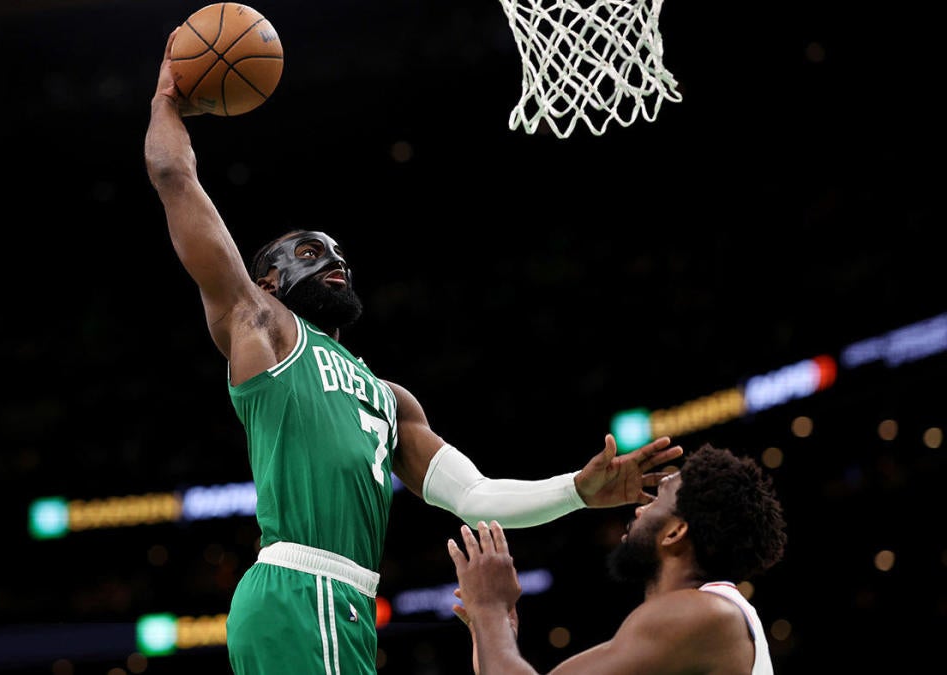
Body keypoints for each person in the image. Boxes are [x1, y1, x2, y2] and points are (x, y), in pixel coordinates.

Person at [143, 27, 684, 675]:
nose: (333, 262)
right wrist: (167, 101)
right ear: (268, 282)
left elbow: (478, 495)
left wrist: (575, 489)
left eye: (339, 254)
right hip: (300, 587)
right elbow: (175, 175)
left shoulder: (390, 397)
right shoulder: (263, 326)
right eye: (309, 254)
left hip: (342, 600)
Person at [448, 443, 787, 675]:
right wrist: (494, 634)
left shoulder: (709, 614)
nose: (639, 509)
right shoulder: (697, 625)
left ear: (675, 533)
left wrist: (490, 608)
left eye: (656, 501)